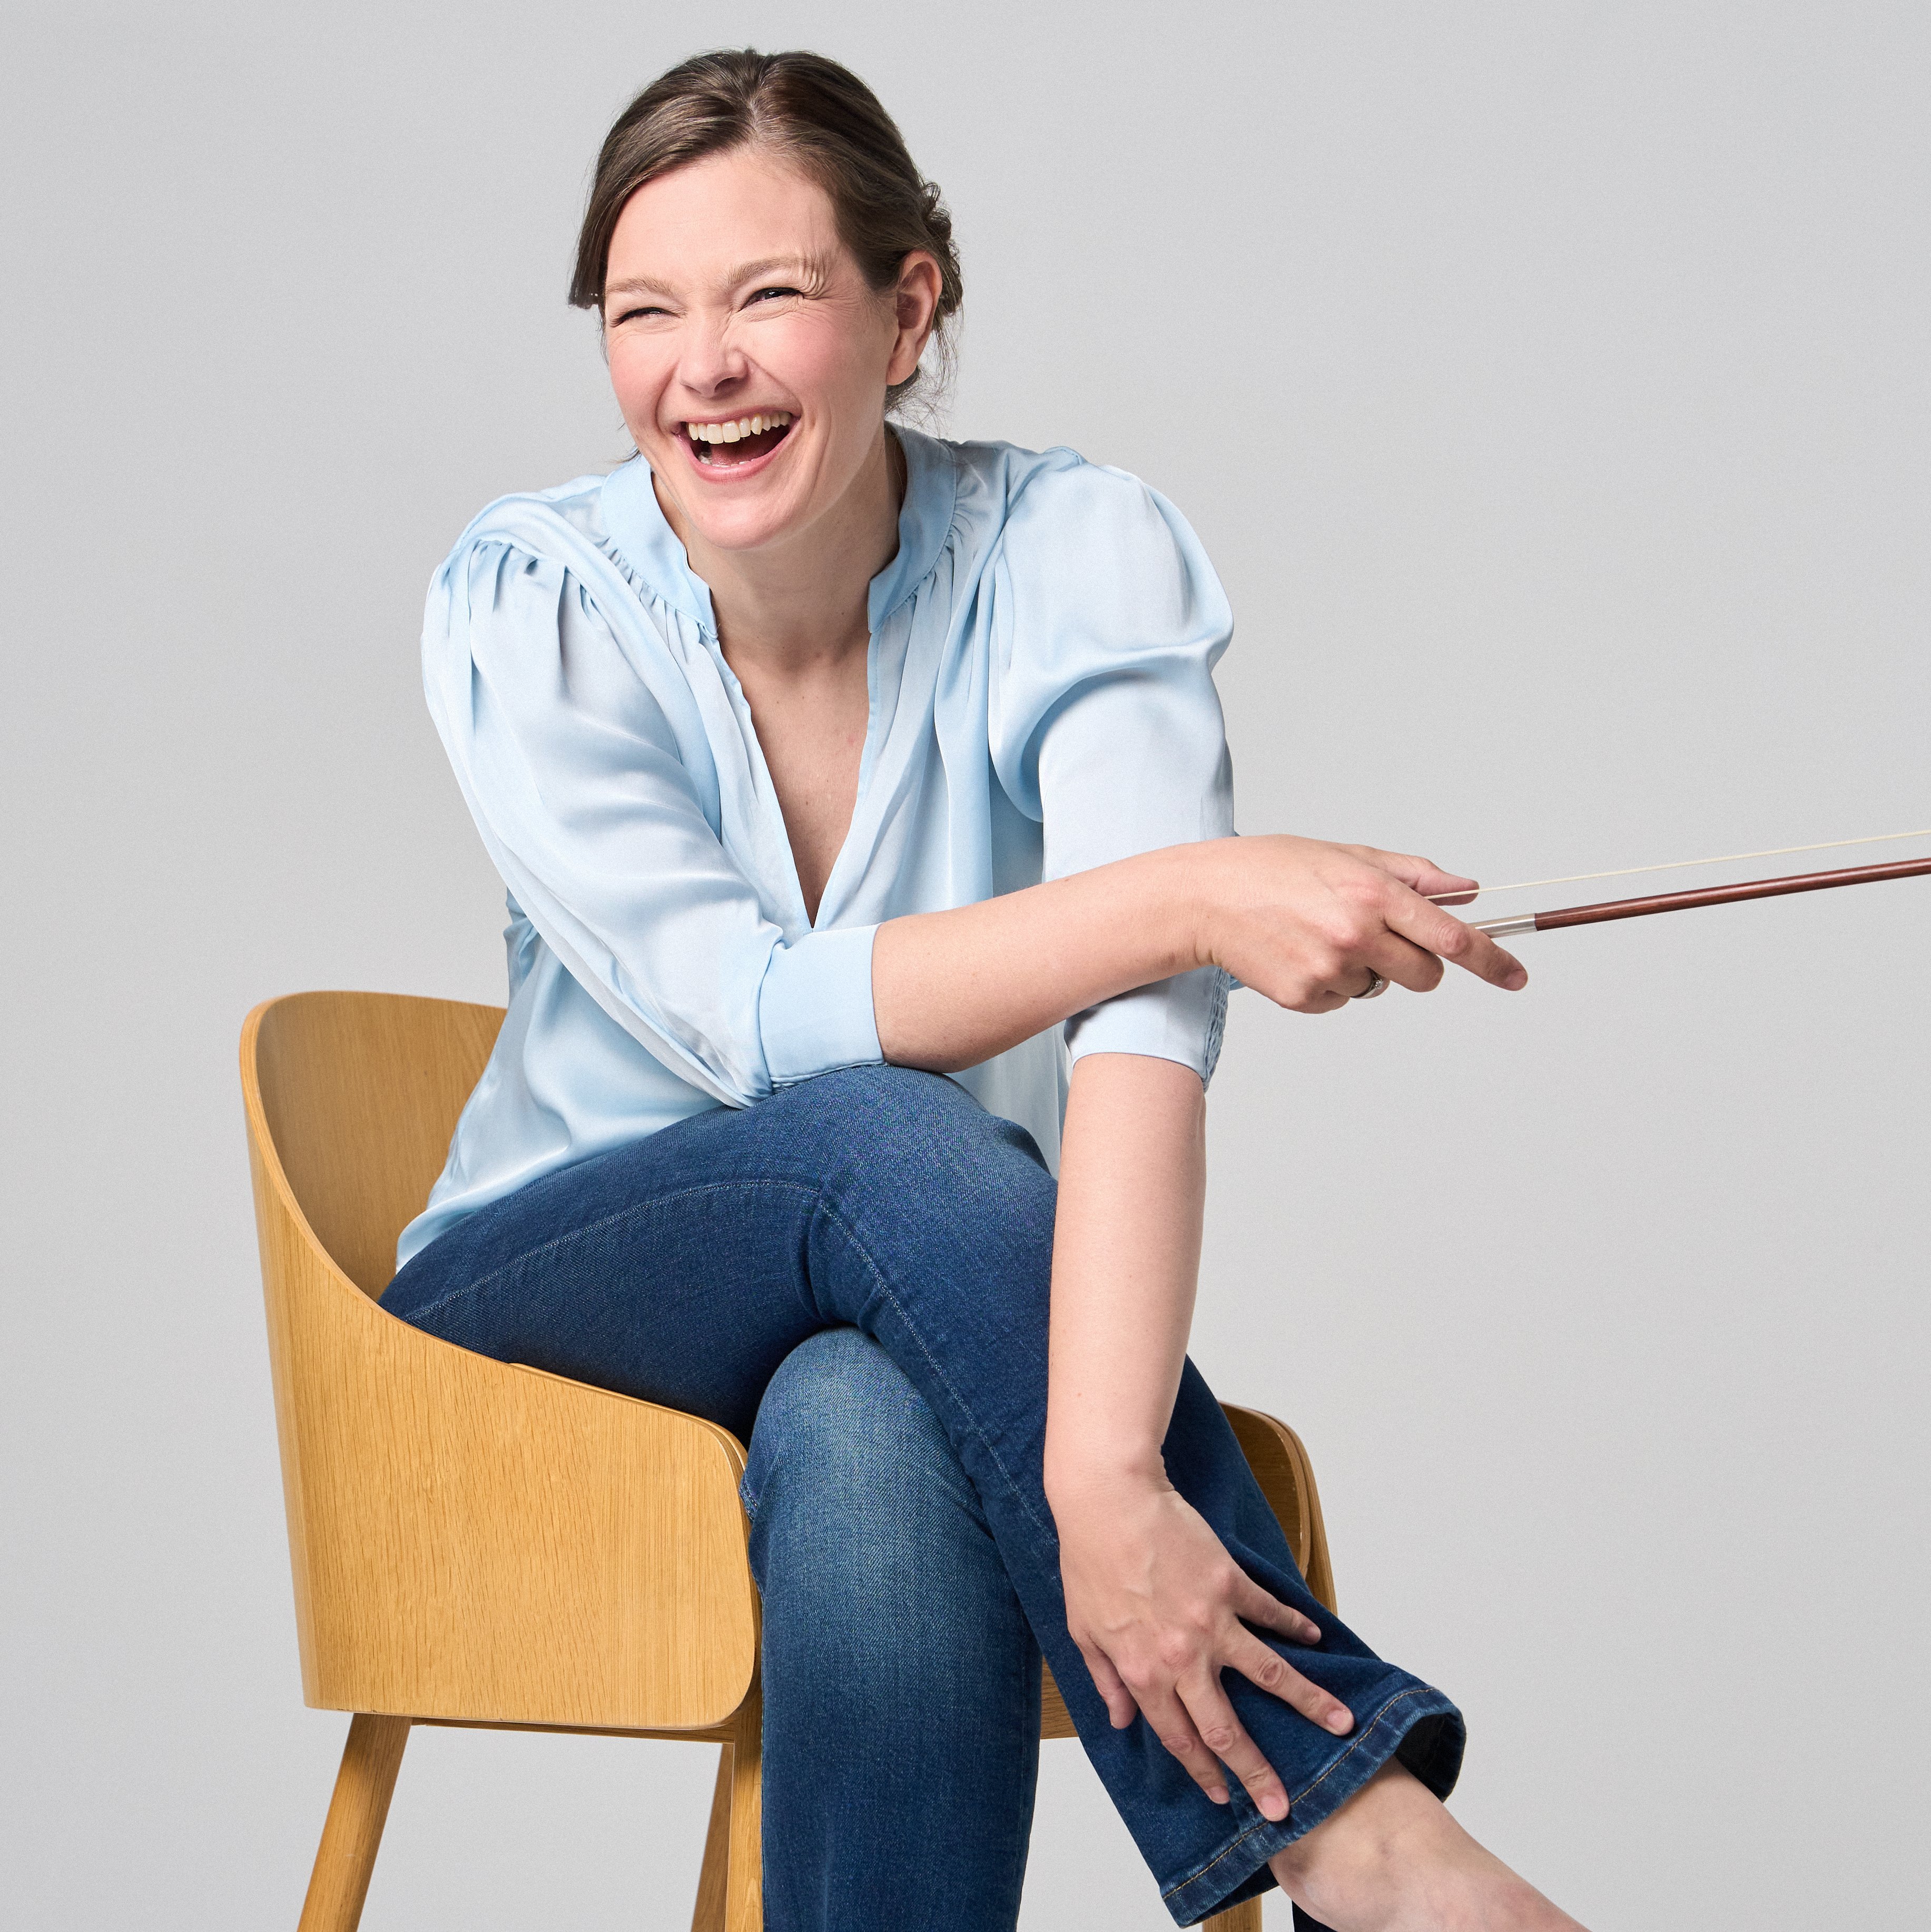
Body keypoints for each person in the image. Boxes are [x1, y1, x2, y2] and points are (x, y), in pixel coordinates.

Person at [381, 47, 1587, 1932]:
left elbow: (1137, 1044)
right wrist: (1188, 896)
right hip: (542, 1291)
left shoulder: (1069, 556)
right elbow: (757, 1022)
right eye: (644, 310)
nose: (702, 363)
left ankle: (1337, 1827)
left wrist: (1102, 1459)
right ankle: (1352, 1824)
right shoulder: (533, 602)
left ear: (906, 305)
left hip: (920, 1299)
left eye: (770, 292)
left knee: (866, 1419)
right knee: (872, 1119)